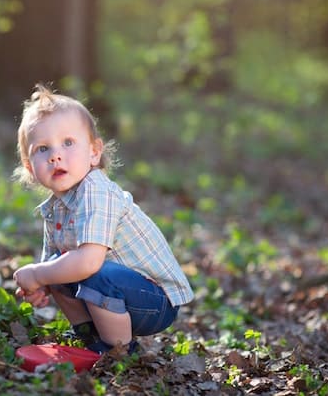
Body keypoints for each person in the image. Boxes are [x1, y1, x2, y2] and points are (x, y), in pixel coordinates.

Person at [12, 84, 194, 355]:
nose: (55, 155)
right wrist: (41, 284)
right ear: (30, 167)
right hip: (115, 292)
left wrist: (37, 273)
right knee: (57, 267)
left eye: (68, 142)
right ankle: (91, 340)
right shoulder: (55, 207)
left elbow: (87, 263)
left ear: (94, 152)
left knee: (92, 271)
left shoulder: (96, 190)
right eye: (42, 149)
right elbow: (54, 268)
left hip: (155, 301)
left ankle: (119, 352)